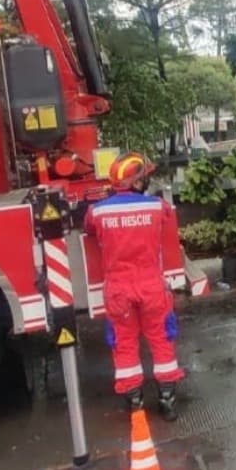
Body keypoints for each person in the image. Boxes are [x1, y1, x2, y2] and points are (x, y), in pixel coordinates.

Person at [84, 152, 185, 419]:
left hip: (118, 289)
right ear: (137, 182)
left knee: (124, 343)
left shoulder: (97, 212)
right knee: (162, 340)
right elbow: (166, 217)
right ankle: (167, 399)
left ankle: (135, 401)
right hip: (152, 286)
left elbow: (88, 227)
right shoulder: (156, 207)